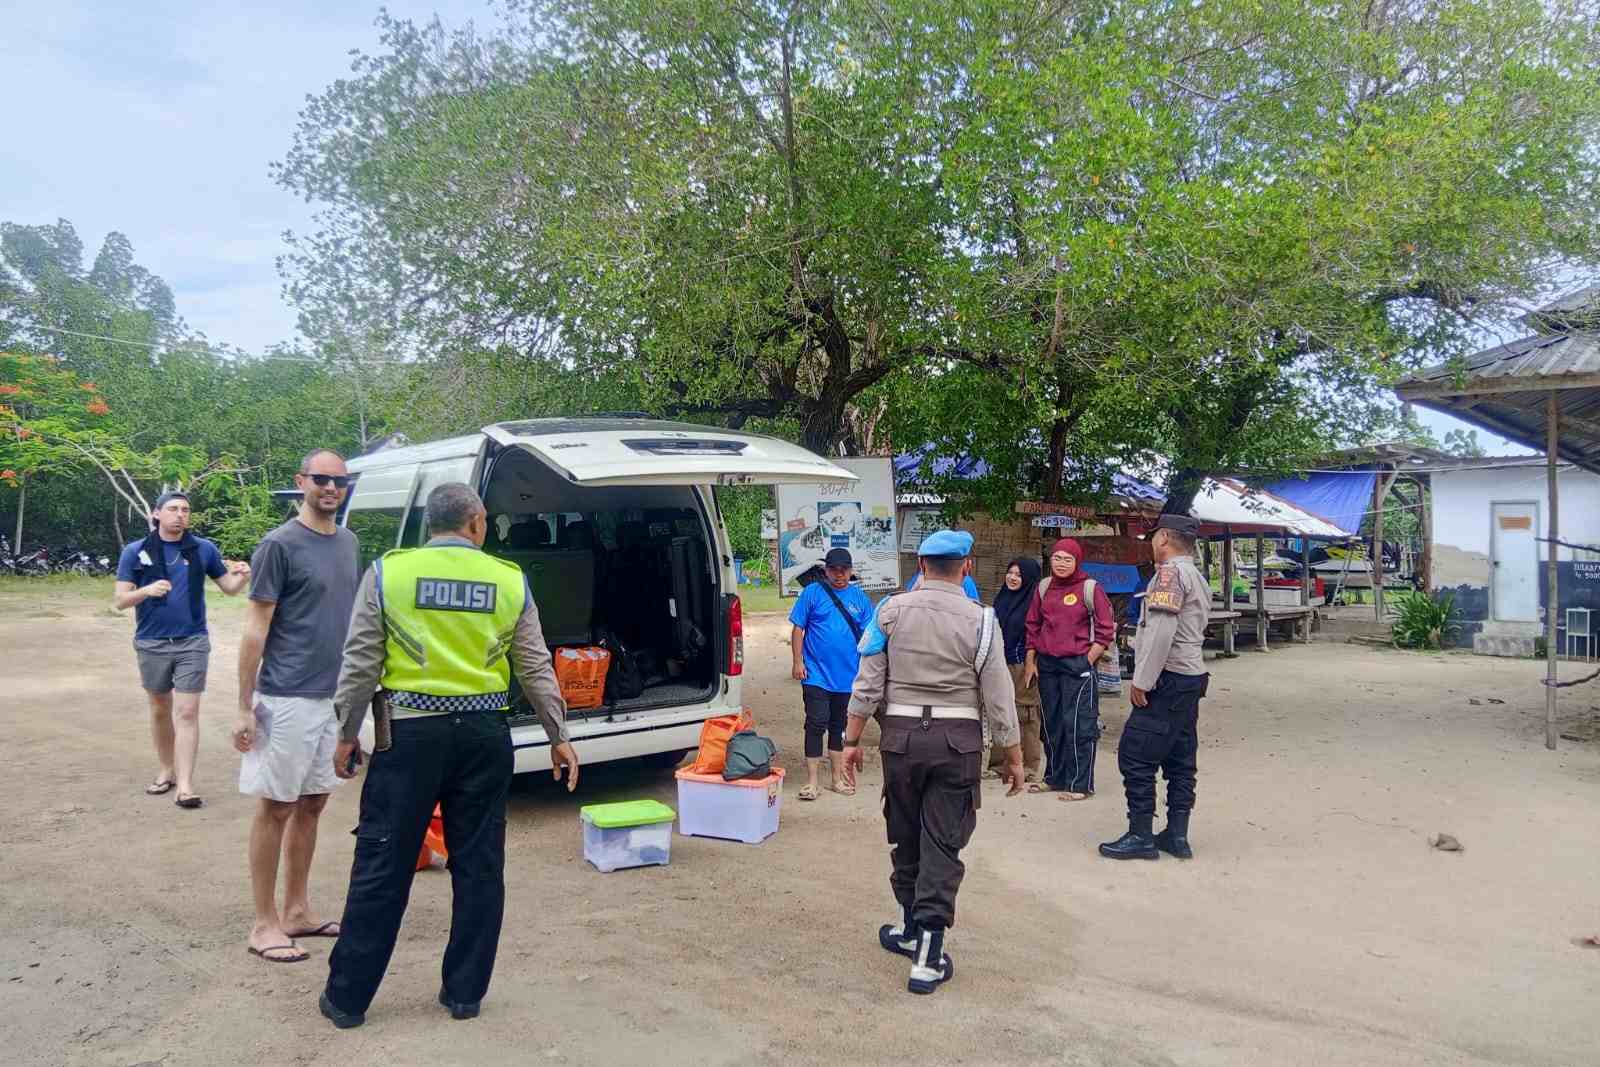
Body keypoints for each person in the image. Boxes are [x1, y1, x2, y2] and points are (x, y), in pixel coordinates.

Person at [319, 483, 580, 1029]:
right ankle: (464, 994)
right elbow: (534, 663)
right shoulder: (509, 580)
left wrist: (346, 733)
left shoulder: (390, 573)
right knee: (479, 865)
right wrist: (558, 733)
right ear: (477, 523)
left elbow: (360, 662)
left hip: (408, 737)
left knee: (383, 862)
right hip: (484, 736)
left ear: (429, 523)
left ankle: (347, 1000)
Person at [841, 529, 1024, 996]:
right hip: (956, 744)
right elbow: (999, 694)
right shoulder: (983, 620)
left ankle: (910, 928)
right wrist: (1013, 754)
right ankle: (927, 955)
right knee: (942, 842)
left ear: (921, 566)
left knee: (905, 835)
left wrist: (851, 740)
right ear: (966, 567)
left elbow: (867, 683)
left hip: (901, 741)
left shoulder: (888, 611)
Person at [232, 449, 361, 964]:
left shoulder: (349, 543)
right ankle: (263, 924)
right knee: (276, 807)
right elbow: (255, 628)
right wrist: (244, 706)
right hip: (285, 698)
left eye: (339, 481)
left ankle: (297, 910)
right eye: (321, 479)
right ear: (301, 481)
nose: (331, 488)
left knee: (313, 803)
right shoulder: (278, 545)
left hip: (334, 699)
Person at [112, 490, 250, 809]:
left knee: (187, 712)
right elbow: (120, 601)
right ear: (157, 514)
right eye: (173, 509)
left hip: (192, 641)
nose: (180, 515)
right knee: (160, 708)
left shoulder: (203, 548)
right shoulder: (136, 551)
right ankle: (167, 770)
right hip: (151, 642)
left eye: (185, 510)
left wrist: (243, 576)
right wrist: (146, 590)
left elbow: (229, 588)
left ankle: (186, 785)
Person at [1099, 514, 1211, 861]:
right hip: (1190, 677)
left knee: (1135, 755)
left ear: (1163, 538)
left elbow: (1162, 632)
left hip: (1168, 678)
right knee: (1180, 756)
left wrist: (1142, 680)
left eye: (1153, 537)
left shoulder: (1169, 574)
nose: (1151, 543)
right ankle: (1177, 834)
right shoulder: (1196, 575)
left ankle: (1141, 835)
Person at [1024, 537, 1115, 801]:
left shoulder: (1090, 588)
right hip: (1048, 665)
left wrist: (1087, 660)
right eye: (1057, 558)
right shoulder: (1044, 587)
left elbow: (1105, 629)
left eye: (1068, 559)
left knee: (1078, 724)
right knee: (1052, 724)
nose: (1061, 563)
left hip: (1078, 664)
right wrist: (1030, 662)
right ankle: (1054, 778)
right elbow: (1032, 626)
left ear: (1077, 562)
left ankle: (1079, 785)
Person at [788, 547, 874, 800]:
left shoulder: (859, 598)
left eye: (844, 570)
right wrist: (797, 661)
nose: (839, 575)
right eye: (834, 570)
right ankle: (812, 782)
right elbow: (798, 628)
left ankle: (836, 779)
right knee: (816, 722)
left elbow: (870, 637)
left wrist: (869, 670)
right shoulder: (812, 593)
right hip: (815, 673)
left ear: (851, 570)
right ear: (825, 570)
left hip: (848, 677)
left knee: (839, 726)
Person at [986, 557, 1044, 782]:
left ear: (1028, 579)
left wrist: (1031, 663)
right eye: (1010, 573)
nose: (1012, 578)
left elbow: (1036, 636)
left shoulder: (1034, 603)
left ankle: (1028, 766)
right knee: (999, 709)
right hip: (1000, 663)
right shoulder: (1002, 598)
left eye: (1019, 575)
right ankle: (1000, 764)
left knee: (1025, 713)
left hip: (1023, 664)